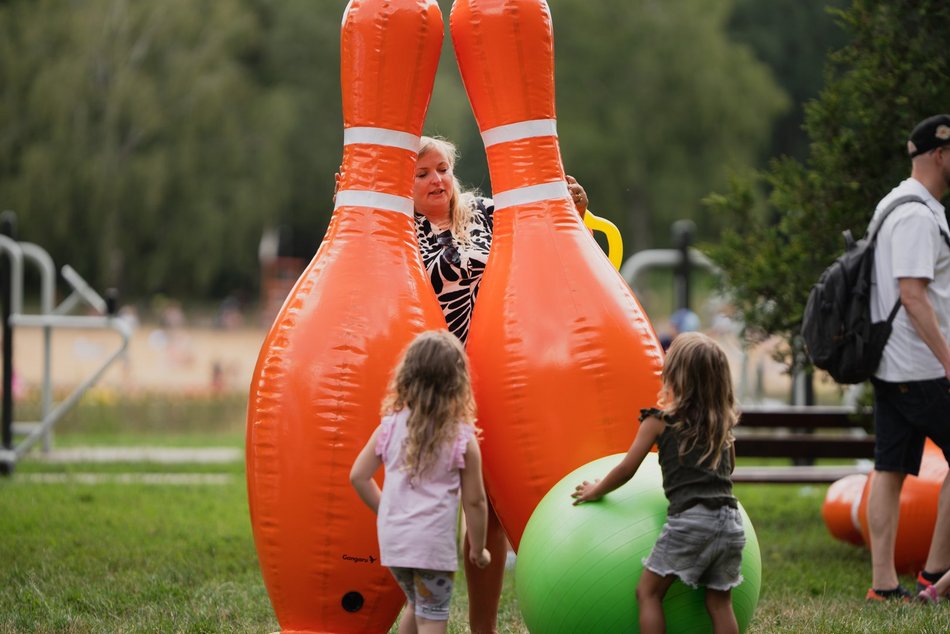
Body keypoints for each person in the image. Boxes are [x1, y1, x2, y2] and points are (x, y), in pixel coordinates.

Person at [341, 136, 589, 633]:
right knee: (422, 495)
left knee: (489, 504)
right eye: (422, 173)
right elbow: (358, 260)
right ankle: (421, 611)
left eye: (442, 170)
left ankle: (482, 628)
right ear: (402, 185)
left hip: (497, 375)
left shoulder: (488, 214)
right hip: (431, 385)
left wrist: (571, 207)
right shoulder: (396, 227)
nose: (436, 180)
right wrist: (353, 193)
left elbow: (547, 242)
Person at [572, 332, 744, 634]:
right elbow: (729, 469)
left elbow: (627, 468)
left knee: (648, 593)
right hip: (730, 521)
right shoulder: (722, 423)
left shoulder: (659, 421)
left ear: (674, 375)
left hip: (690, 520)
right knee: (720, 603)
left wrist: (595, 490)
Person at [350, 330, 492, 632]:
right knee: (432, 615)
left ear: (407, 376)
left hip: (395, 543)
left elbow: (358, 476)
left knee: (417, 604)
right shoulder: (462, 439)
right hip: (431, 549)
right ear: (458, 384)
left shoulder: (388, 427)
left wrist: (386, 511)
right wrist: (478, 549)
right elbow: (476, 501)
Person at [865, 114, 950, 602]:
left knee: (889, 468)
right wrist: (948, 360)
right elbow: (913, 295)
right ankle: (934, 575)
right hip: (919, 367)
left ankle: (883, 585)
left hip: (890, 364)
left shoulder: (893, 202)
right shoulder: (918, 214)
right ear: (939, 154)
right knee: (890, 468)